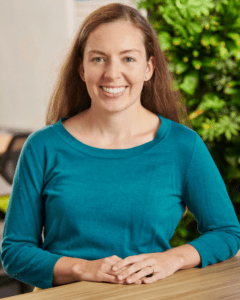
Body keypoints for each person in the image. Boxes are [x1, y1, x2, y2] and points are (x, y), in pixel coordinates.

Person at [1, 3, 240, 290]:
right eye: (99, 59)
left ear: (148, 68)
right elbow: (14, 252)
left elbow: (226, 232)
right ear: (81, 68)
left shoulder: (183, 146)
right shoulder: (42, 146)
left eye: (128, 59)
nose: (112, 74)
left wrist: (171, 259)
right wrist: (83, 268)